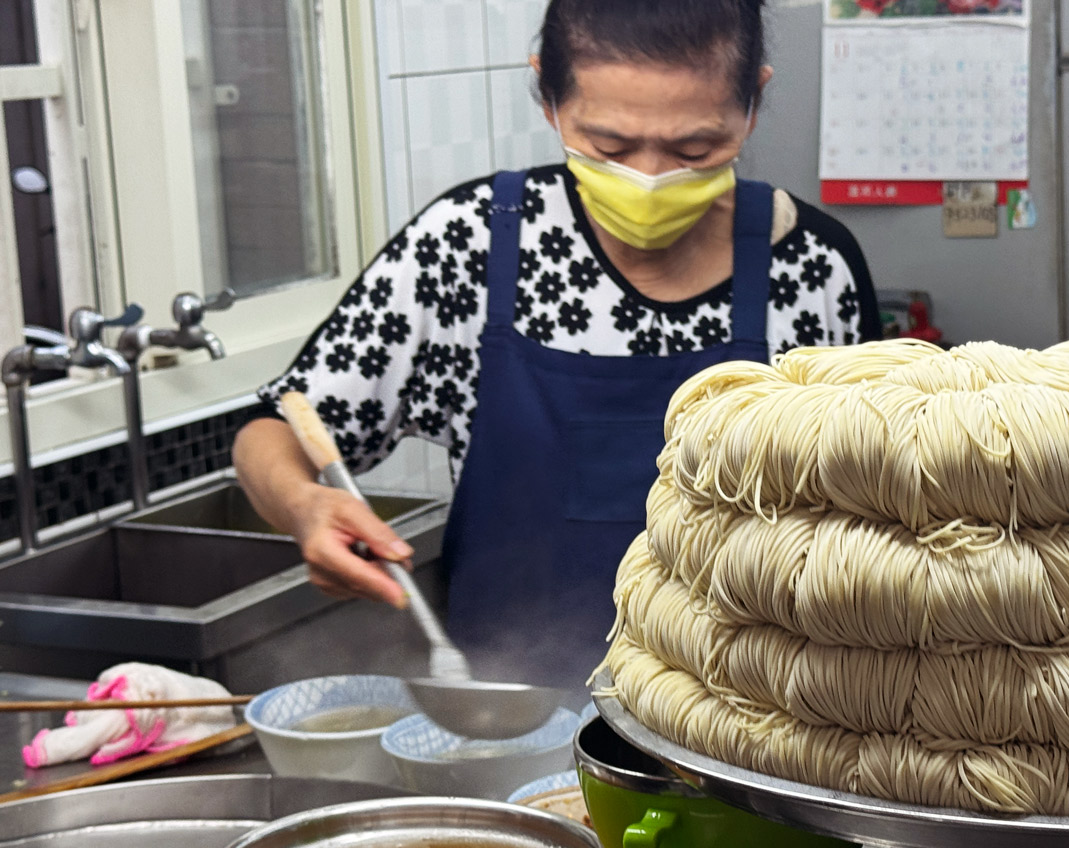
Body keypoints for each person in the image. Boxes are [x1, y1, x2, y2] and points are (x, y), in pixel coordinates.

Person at [233, 0, 881, 705]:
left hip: (749, 731)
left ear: (753, 101)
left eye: (694, 150)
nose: (651, 179)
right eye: (609, 145)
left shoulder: (812, 270)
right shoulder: (468, 248)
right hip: (506, 723)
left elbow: (873, 523)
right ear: (547, 93)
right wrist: (303, 506)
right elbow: (278, 427)